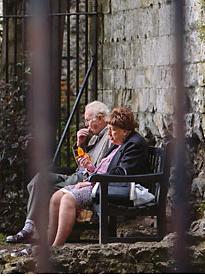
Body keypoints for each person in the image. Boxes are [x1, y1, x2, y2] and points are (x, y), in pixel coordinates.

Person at [6, 101, 112, 244]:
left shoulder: (108, 136)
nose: (86, 125)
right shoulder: (95, 135)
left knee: (43, 188)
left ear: (99, 118)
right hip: (77, 174)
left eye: (87, 120)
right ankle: (29, 226)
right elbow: (83, 160)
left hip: (85, 179)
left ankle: (35, 232)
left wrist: (86, 164)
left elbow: (97, 166)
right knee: (38, 180)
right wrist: (80, 145)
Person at [47, 106, 150, 248]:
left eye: (112, 130)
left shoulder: (134, 145)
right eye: (108, 130)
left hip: (111, 188)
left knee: (68, 199)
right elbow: (105, 170)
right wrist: (91, 169)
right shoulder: (117, 144)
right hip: (100, 184)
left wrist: (91, 181)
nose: (109, 134)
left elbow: (120, 175)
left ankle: (56, 246)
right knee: (56, 197)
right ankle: (48, 242)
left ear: (125, 131)